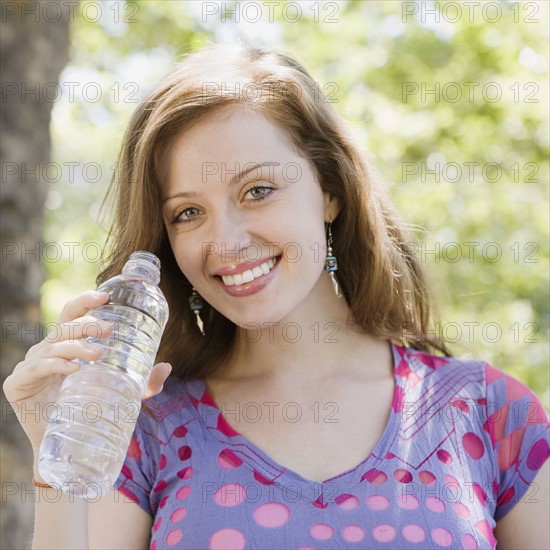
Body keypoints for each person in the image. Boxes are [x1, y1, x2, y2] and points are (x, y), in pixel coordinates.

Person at [3, 43, 549, 550]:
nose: (226, 242)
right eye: (188, 212)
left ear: (329, 190)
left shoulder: (493, 415)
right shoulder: (145, 431)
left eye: (257, 190)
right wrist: (57, 473)